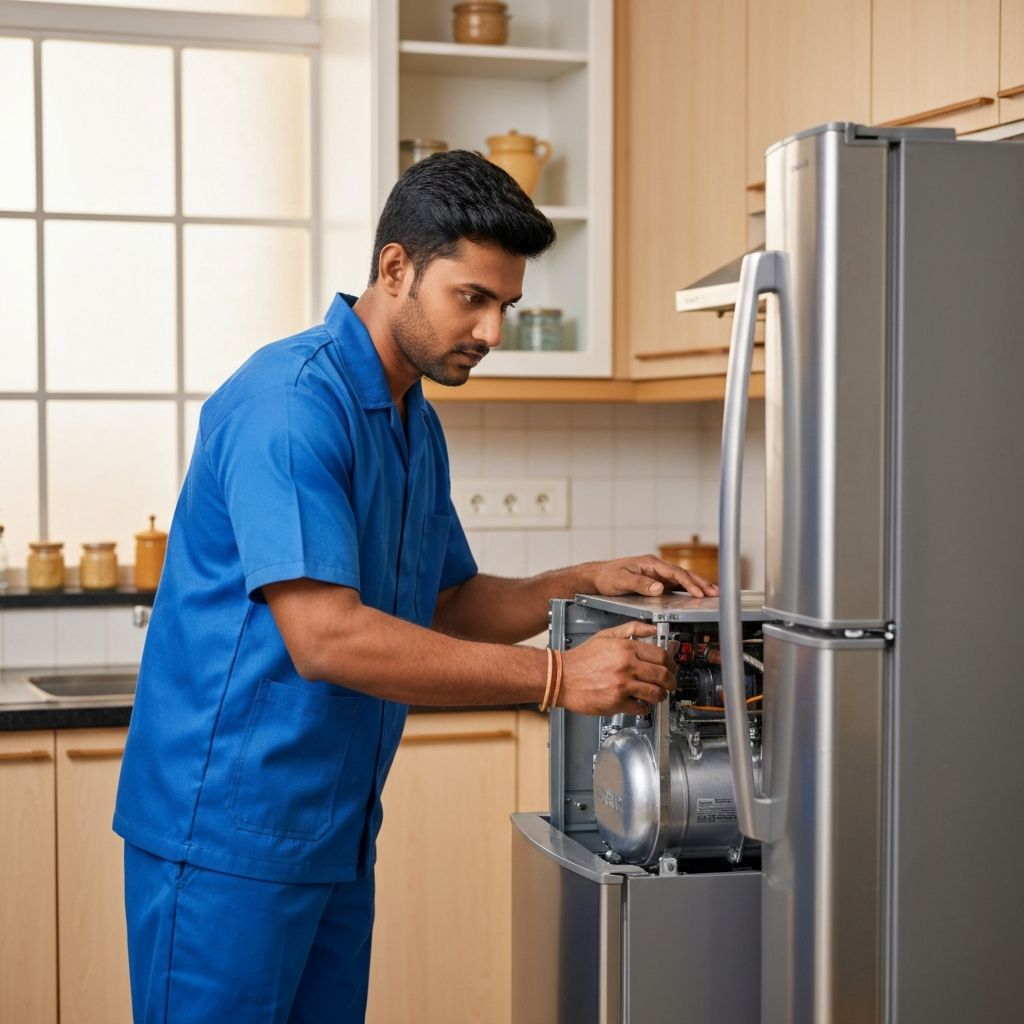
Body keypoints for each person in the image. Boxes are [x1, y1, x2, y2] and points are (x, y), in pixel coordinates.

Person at [113, 150, 716, 1023]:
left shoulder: (411, 423)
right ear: (395, 268)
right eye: (470, 297)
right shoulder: (288, 405)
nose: (493, 331)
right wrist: (556, 677)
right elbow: (329, 638)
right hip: (223, 843)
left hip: (333, 837)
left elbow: (446, 602)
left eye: (505, 304)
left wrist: (580, 580)